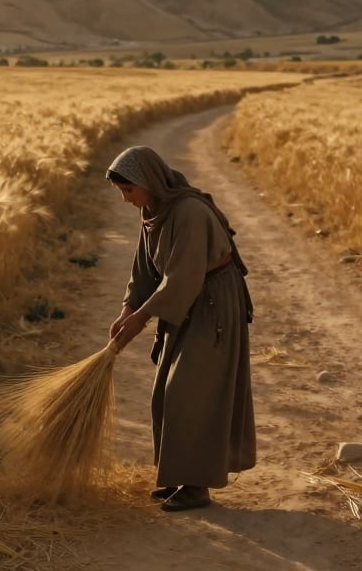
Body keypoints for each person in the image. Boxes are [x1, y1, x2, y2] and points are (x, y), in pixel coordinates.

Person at [106, 145, 256, 512]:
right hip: (188, 300)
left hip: (212, 305)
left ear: (148, 181)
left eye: (129, 190)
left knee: (189, 393)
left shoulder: (188, 212)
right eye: (122, 192)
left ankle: (196, 486)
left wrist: (141, 319)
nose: (127, 200)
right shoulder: (152, 211)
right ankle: (179, 477)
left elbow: (181, 279)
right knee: (166, 391)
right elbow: (143, 270)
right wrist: (127, 308)